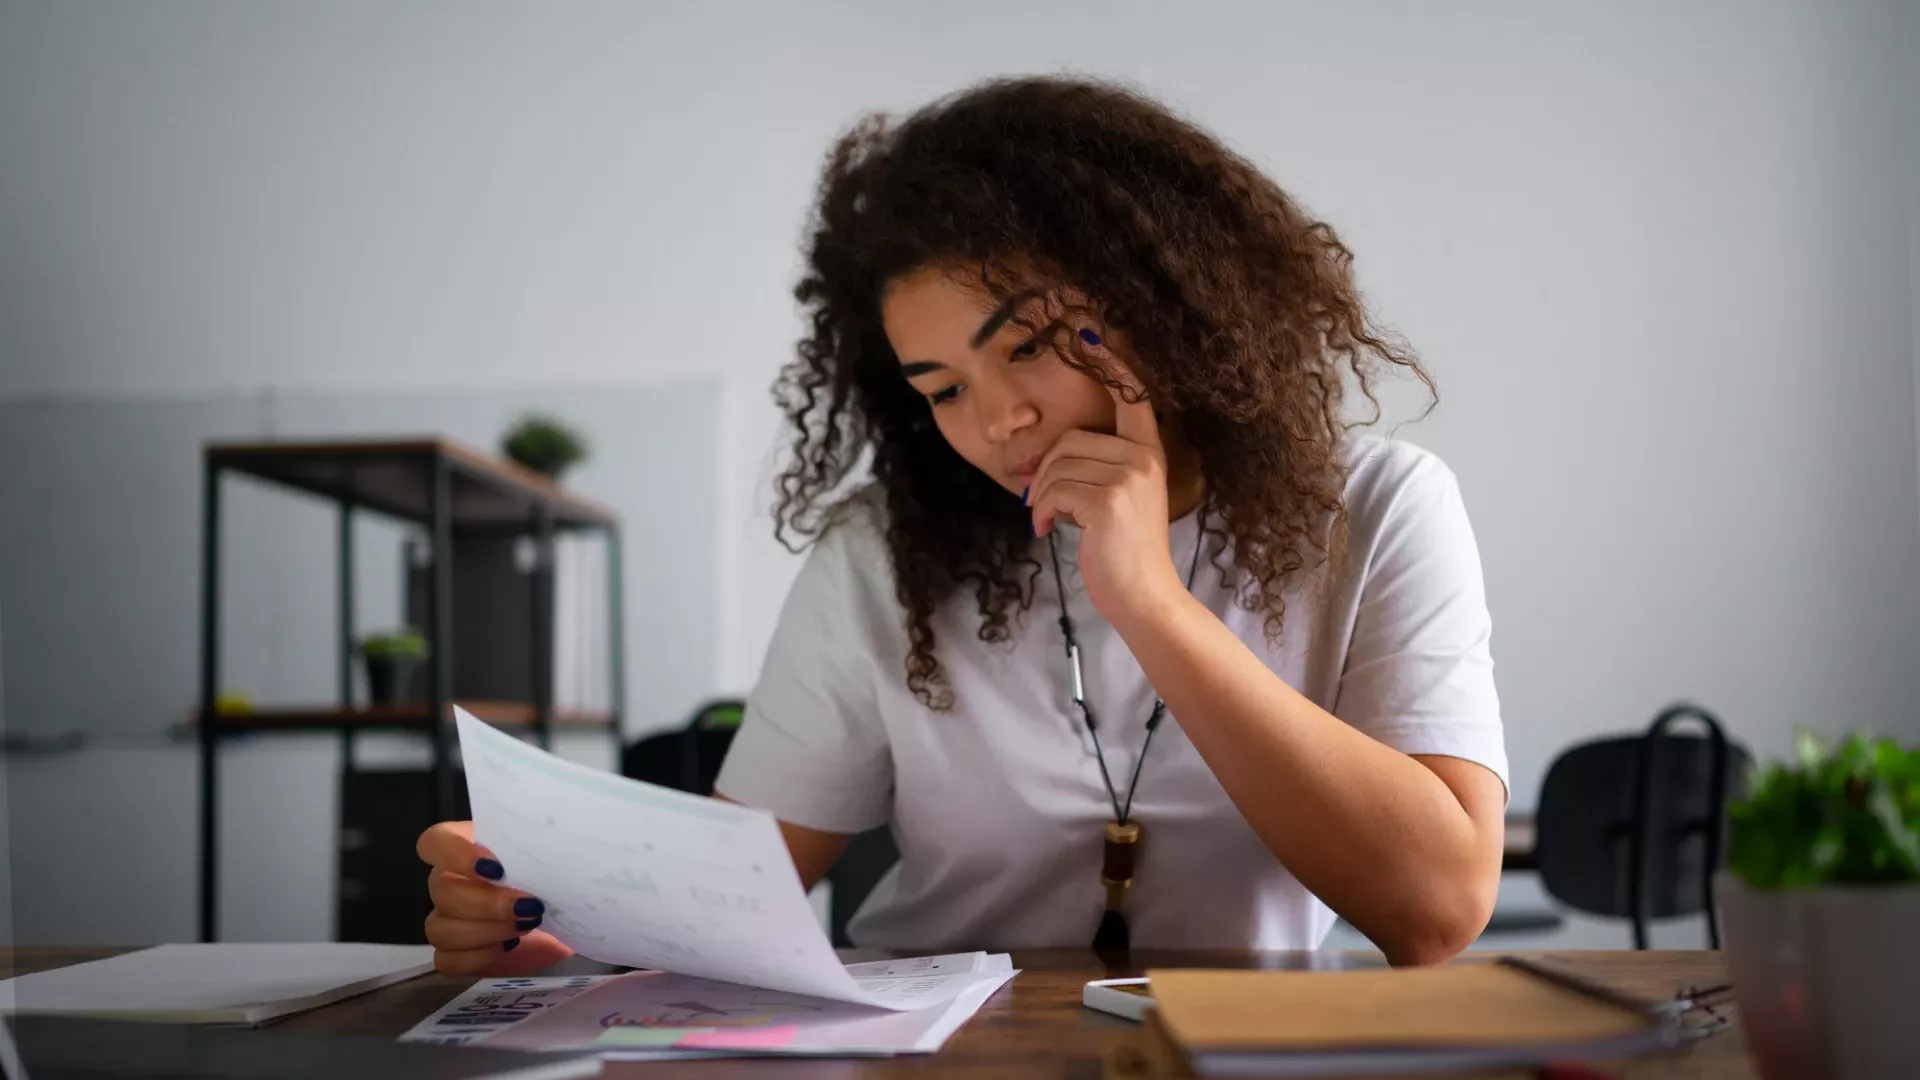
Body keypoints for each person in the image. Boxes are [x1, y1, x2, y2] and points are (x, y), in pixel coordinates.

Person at [416, 75, 1508, 976]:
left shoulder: (1374, 510)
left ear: (1162, 300)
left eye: (1029, 344)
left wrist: (1150, 602)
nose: (997, 421)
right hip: (936, 1047)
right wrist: (546, 912)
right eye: (941, 389)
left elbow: (1437, 908)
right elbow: (732, 884)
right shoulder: (886, 553)